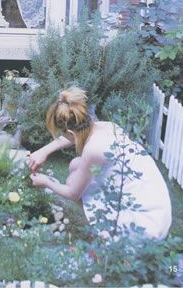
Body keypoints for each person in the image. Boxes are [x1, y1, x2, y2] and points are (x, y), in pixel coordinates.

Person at [28, 87, 172, 240]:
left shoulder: (93, 150)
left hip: (145, 225)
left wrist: (47, 182)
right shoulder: (107, 126)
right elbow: (73, 137)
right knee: (76, 165)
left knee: (74, 182)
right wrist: (43, 151)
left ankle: (109, 238)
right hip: (158, 209)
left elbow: (72, 193)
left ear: (70, 132)